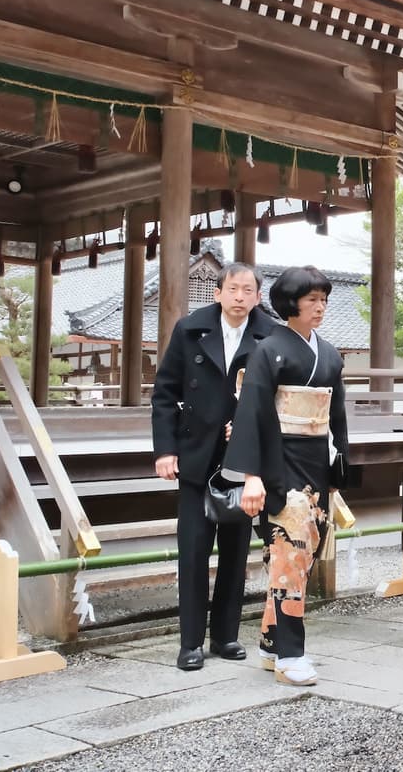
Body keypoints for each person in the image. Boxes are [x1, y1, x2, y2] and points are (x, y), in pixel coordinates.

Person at [227, 266, 350, 686]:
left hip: (316, 461)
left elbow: (336, 418)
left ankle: (270, 641)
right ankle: (290, 655)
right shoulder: (268, 350)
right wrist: (252, 475)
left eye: (323, 300)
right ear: (290, 304)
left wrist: (338, 466)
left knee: (302, 552)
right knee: (290, 553)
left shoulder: (330, 355)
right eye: (311, 300)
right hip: (279, 462)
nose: (320, 307)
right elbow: (252, 414)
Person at [151, 262, 274, 672]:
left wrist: (246, 429)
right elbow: (165, 393)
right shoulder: (189, 330)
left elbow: (278, 397)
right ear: (217, 293)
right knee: (194, 549)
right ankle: (190, 642)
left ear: (258, 297)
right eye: (233, 289)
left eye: (248, 290)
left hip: (243, 460)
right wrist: (165, 450)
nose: (240, 297)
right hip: (194, 453)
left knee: (237, 552)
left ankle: (225, 636)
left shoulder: (269, 335)